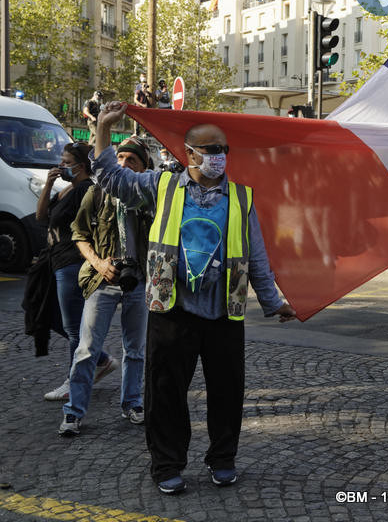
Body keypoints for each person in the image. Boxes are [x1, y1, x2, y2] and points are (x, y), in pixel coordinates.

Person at [92, 102, 296, 495]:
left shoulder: (240, 197)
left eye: (223, 150)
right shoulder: (161, 186)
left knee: (227, 391)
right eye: (210, 149)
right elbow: (111, 178)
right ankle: (167, 464)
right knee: (165, 392)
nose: (218, 157)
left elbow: (256, 256)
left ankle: (222, 460)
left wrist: (273, 302)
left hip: (224, 312)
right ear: (189, 154)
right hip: (172, 310)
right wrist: (102, 130)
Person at [59, 137, 153, 437]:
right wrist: (99, 263)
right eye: (120, 157)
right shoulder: (97, 193)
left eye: (131, 160)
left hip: (139, 281)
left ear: (143, 167)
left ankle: (133, 404)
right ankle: (73, 412)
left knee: (135, 350)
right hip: (103, 279)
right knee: (87, 349)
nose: (123, 164)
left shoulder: (151, 196)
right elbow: (79, 235)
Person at [38, 142, 116, 401]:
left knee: (73, 328)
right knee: (52, 316)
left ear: (79, 166)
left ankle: (75, 381)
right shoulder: (66, 189)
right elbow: (41, 217)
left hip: (72, 263)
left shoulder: (85, 190)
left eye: (65, 161)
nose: (61, 165)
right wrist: (49, 185)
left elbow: (85, 229)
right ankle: (101, 359)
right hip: (56, 260)